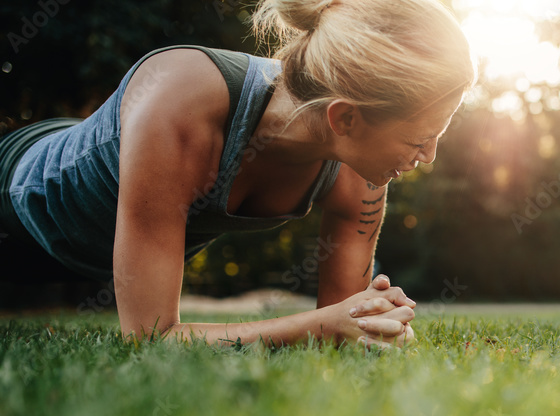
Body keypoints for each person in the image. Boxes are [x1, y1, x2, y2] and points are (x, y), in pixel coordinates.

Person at [0, 0, 476, 348]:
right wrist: (328, 324)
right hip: (17, 204)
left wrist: (376, 324)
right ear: (345, 118)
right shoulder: (182, 99)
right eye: (418, 139)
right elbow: (150, 339)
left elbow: (347, 327)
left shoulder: (362, 170)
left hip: (83, 256)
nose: (429, 157)